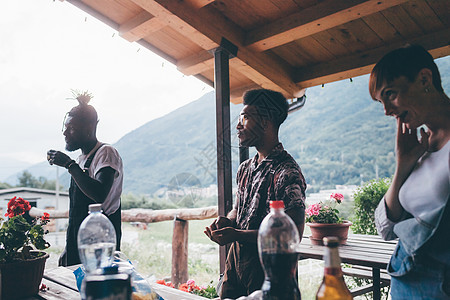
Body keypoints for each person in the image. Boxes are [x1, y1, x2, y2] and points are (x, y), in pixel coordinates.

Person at [204, 88, 307, 299]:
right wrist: (227, 222)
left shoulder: (287, 172)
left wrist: (238, 235)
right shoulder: (245, 169)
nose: (238, 125)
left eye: (245, 118)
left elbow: (293, 233)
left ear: (266, 122)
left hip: (270, 271)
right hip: (236, 263)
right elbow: (238, 210)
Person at [370, 45, 450, 298]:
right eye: (381, 101)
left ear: (424, 79)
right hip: (404, 279)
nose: (386, 111)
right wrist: (402, 164)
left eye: (390, 94)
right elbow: (386, 228)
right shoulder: (419, 146)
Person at [47, 91, 123, 267]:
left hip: (99, 244)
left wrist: (69, 165)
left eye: (71, 128)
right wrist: (69, 247)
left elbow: (100, 193)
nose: (65, 133)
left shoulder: (106, 153)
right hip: (79, 241)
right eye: (65, 127)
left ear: (89, 129)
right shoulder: (82, 159)